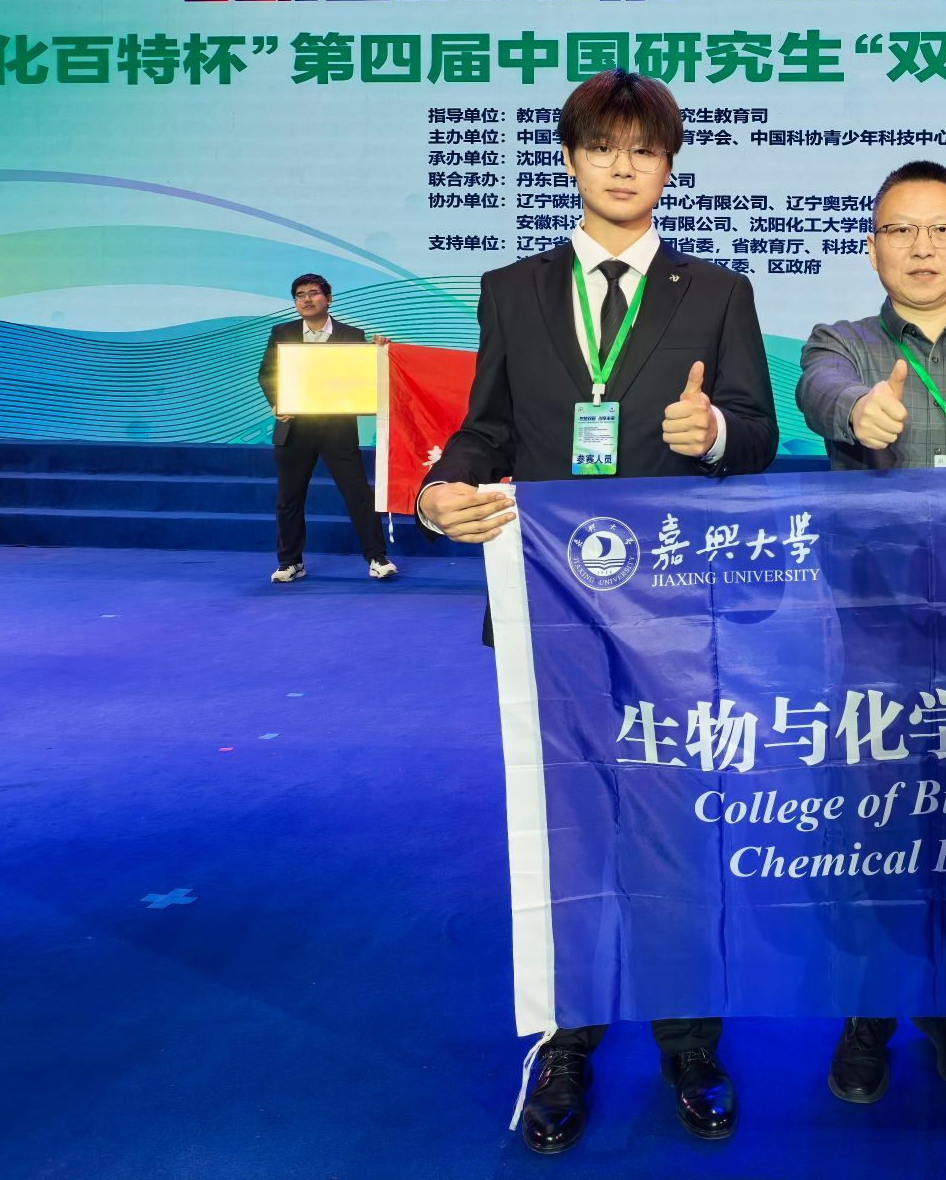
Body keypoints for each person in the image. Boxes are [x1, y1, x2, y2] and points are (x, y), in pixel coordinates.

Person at [415, 69, 780, 1155]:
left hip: (671, 613)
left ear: (669, 167)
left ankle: (690, 1044)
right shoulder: (511, 289)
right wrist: (439, 486)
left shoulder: (716, 292)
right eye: (603, 147)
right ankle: (567, 1043)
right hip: (550, 607)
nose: (624, 167)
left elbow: (757, 433)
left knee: (678, 831)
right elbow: (487, 427)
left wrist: (714, 434)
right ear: (571, 159)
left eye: (644, 149)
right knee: (568, 834)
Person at [795, 158, 946, 1105]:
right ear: (873, 245)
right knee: (875, 826)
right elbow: (822, 391)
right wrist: (860, 411)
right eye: (900, 229)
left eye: (943, 228)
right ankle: (869, 1009)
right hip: (876, 635)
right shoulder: (838, 340)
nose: (923, 248)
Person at [256, 273, 395, 582]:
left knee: (358, 493)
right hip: (294, 429)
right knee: (289, 498)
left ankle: (377, 557)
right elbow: (267, 373)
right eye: (300, 295)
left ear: (328, 299)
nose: (306, 299)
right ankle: (290, 562)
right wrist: (277, 402)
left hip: (337, 428)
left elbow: (364, 377)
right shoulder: (282, 332)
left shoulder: (352, 335)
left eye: (313, 293)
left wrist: (380, 351)